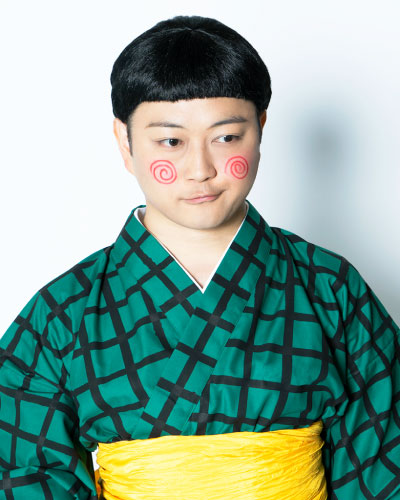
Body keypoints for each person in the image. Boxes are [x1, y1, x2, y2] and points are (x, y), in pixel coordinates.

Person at [0, 14, 399, 500]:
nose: (199, 169)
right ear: (125, 141)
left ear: (260, 128)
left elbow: (384, 464)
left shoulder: (330, 288)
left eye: (226, 137)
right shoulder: (64, 311)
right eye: (171, 141)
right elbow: (25, 473)